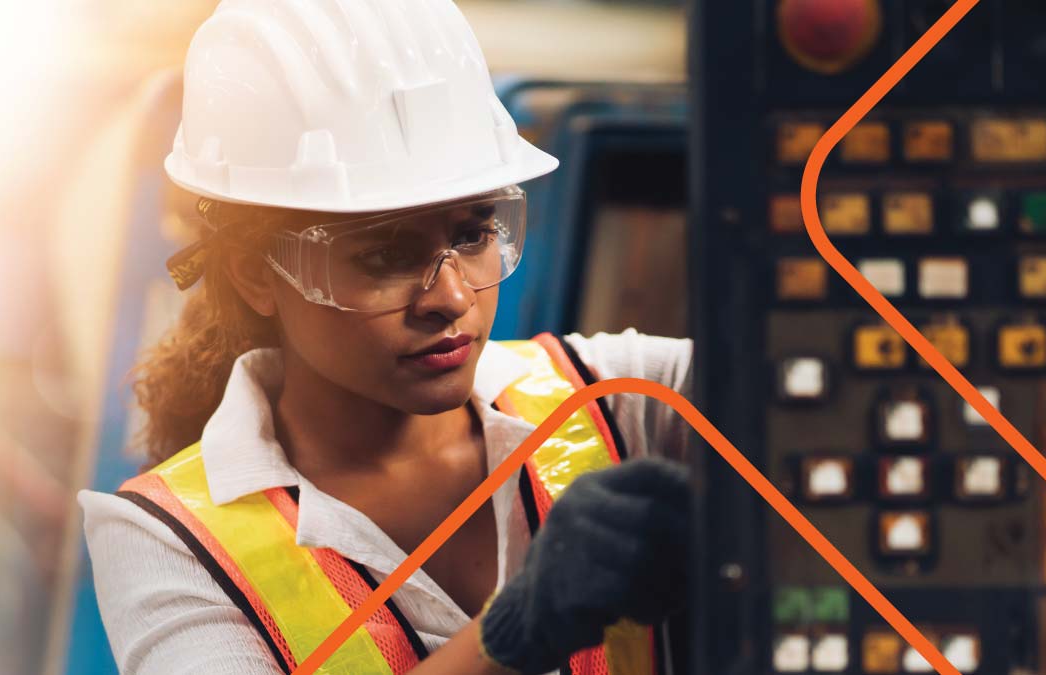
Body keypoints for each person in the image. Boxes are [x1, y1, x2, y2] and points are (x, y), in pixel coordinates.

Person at [78, 1, 694, 673]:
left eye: (474, 232)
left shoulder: (621, 400)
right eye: (384, 256)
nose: (452, 297)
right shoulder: (170, 540)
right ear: (258, 274)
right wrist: (511, 634)